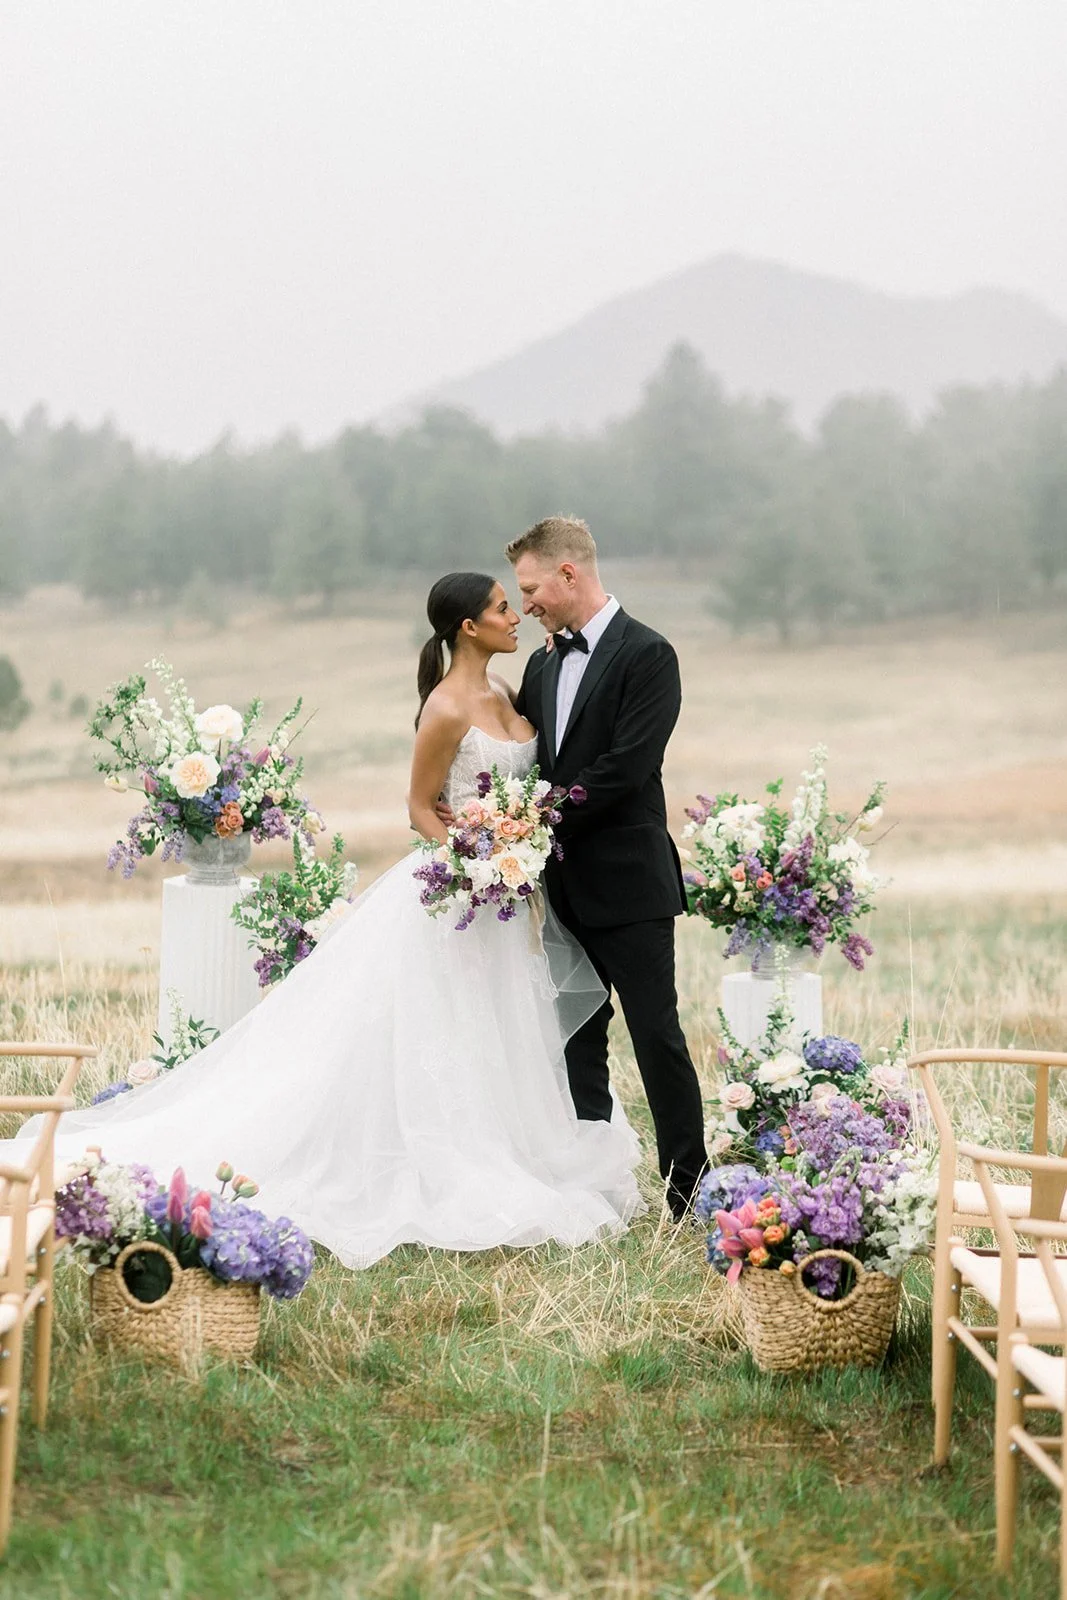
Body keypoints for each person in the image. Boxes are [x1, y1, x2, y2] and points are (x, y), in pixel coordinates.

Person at [16, 572, 643, 1269]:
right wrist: (475, 860)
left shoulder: (504, 688)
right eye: (502, 608)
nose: (514, 615)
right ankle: (439, 1151)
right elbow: (419, 807)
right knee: (448, 1025)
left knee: (502, 1024)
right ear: (469, 627)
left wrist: (510, 854)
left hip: (505, 896)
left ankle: (513, 1142)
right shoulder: (445, 707)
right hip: (459, 893)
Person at [507, 517, 708, 1219]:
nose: (525, 603)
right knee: (575, 1039)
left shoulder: (649, 654)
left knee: (656, 1036)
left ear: (568, 573)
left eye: (530, 588)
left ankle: (688, 1192)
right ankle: (591, 1187)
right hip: (560, 886)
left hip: (630, 884)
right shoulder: (539, 666)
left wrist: (537, 817)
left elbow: (626, 767)